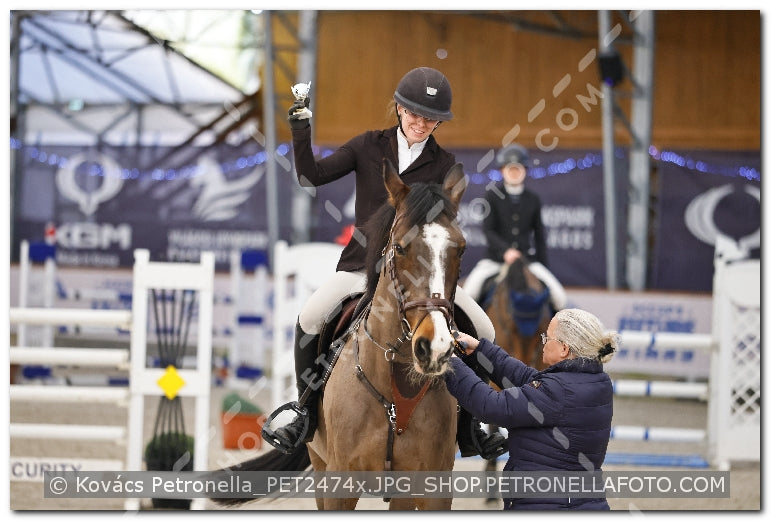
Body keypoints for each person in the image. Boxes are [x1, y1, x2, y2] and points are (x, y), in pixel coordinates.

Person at [264, 67, 506, 460]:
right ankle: (304, 413)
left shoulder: (443, 162)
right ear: (398, 108)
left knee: (484, 328)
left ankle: (469, 426)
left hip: (420, 274)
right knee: (310, 317)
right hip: (362, 268)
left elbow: (440, 226)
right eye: (414, 113)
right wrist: (301, 131)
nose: (421, 122)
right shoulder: (367, 145)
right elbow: (311, 175)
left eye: (431, 118)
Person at [445, 308, 618, 510]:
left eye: (548, 337)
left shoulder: (557, 391)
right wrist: (479, 350)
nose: (543, 341)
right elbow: (531, 380)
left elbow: (491, 406)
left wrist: (449, 361)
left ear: (564, 349)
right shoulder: (596, 380)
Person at [462, 143, 567, 312]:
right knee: (469, 294)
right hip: (495, 260)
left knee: (560, 298)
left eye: (518, 169)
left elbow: (539, 235)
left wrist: (543, 266)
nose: (514, 172)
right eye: (510, 169)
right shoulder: (492, 196)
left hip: (526, 260)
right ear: (502, 171)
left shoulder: (533, 199)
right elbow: (489, 230)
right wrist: (506, 251)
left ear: (525, 170)